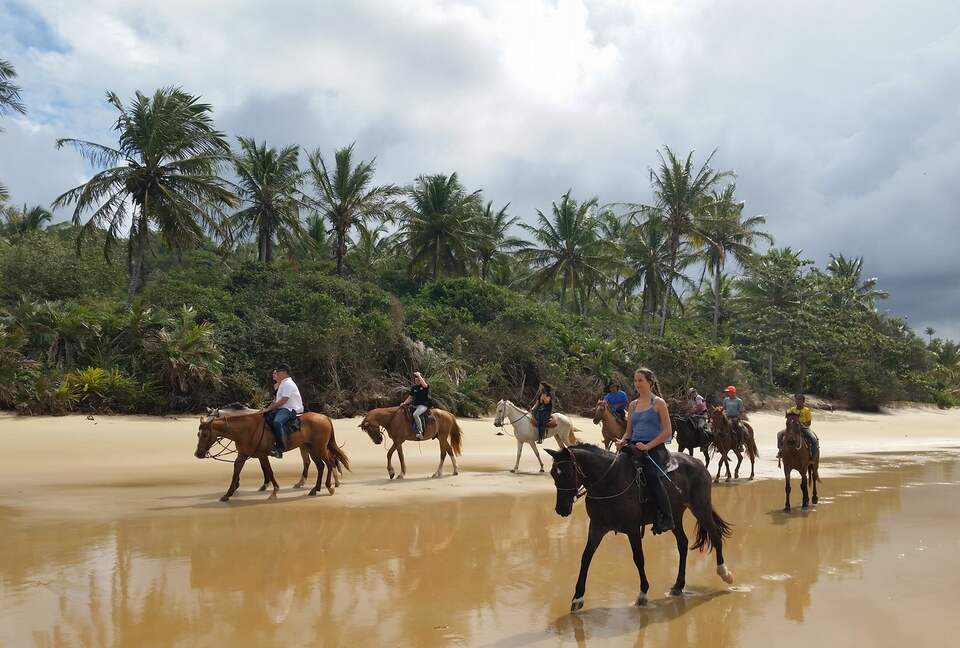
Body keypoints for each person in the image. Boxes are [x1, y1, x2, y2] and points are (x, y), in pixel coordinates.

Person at [616, 367, 674, 534]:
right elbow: (629, 431)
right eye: (635, 380)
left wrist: (648, 446)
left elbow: (667, 431)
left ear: (650, 382)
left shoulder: (659, 403)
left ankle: (667, 518)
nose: (637, 384)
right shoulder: (632, 405)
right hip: (634, 446)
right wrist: (623, 440)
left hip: (654, 448)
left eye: (640, 380)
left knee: (651, 476)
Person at [260, 364, 304, 458]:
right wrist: (266, 409)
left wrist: (270, 409)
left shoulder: (288, 384)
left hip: (290, 409)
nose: (277, 373)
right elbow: (276, 401)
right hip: (282, 408)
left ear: (284, 372)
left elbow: (284, 400)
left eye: (278, 372)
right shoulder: (282, 383)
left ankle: (280, 448)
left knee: (277, 422)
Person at [401, 372, 431, 440]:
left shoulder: (424, 386)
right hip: (414, 405)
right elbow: (410, 397)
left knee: (415, 414)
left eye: (418, 379)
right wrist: (404, 403)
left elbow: (425, 385)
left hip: (423, 405)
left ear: (422, 379)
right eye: (416, 379)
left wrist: (419, 375)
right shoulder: (414, 387)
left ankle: (420, 432)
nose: (416, 380)